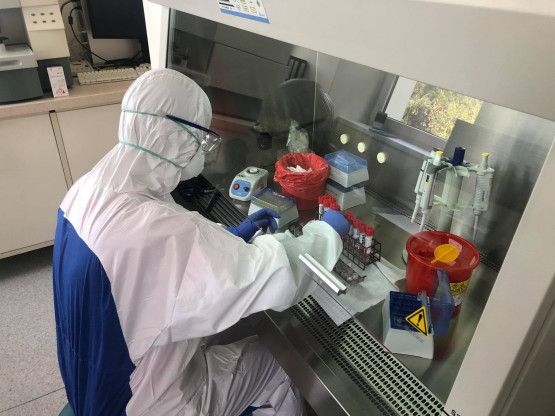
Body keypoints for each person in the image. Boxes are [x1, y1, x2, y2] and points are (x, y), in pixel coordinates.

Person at [53, 68, 349, 416]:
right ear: (175, 136)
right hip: (140, 403)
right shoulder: (156, 229)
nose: (204, 152)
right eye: (201, 140)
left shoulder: (87, 189)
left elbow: (152, 264)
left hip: (92, 384)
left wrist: (226, 238)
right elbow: (275, 276)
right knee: (281, 362)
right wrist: (326, 233)